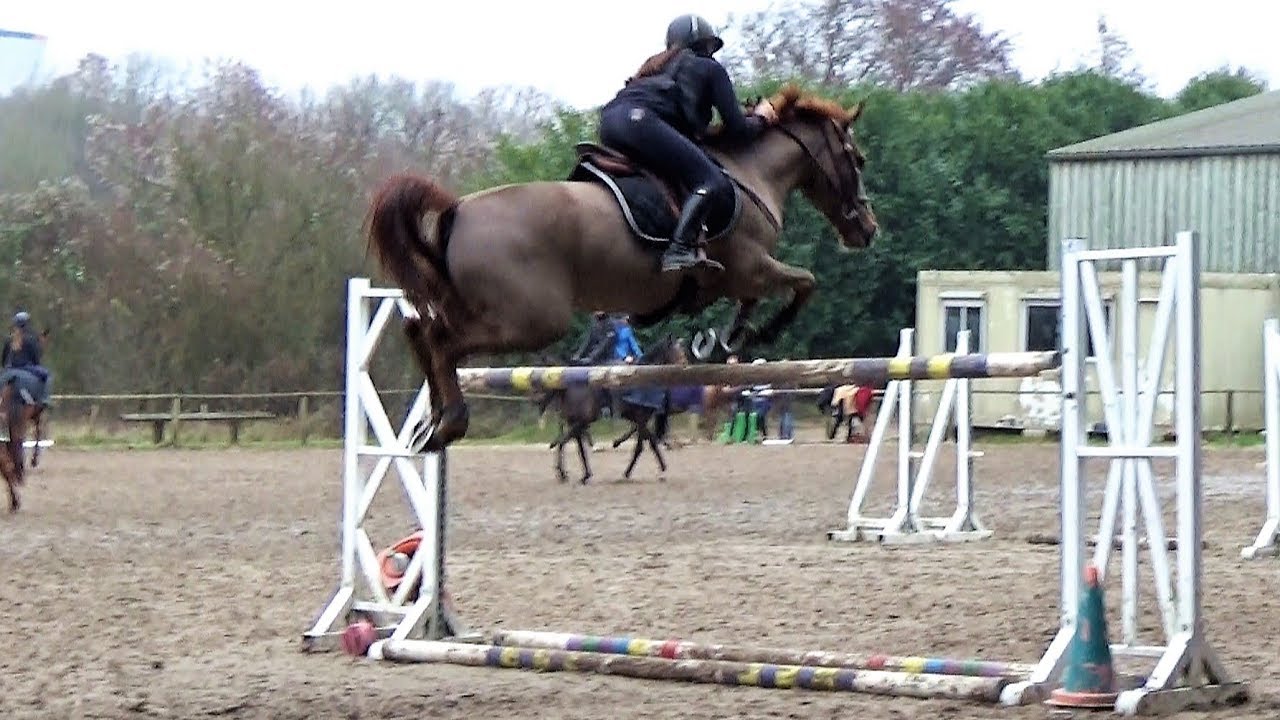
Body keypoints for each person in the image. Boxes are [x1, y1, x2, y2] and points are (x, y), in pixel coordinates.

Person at [598, 13, 779, 274]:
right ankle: (679, 249)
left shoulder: (656, 67)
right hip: (641, 123)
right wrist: (762, 118)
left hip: (610, 122)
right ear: (704, 44)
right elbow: (738, 129)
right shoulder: (709, 68)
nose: (711, 53)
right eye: (710, 47)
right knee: (711, 181)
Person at [2, 310, 51, 406]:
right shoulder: (31, 339)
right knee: (48, 375)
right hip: (25, 367)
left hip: (9, 369)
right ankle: (44, 398)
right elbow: (36, 360)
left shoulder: (9, 340)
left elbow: (3, 360)